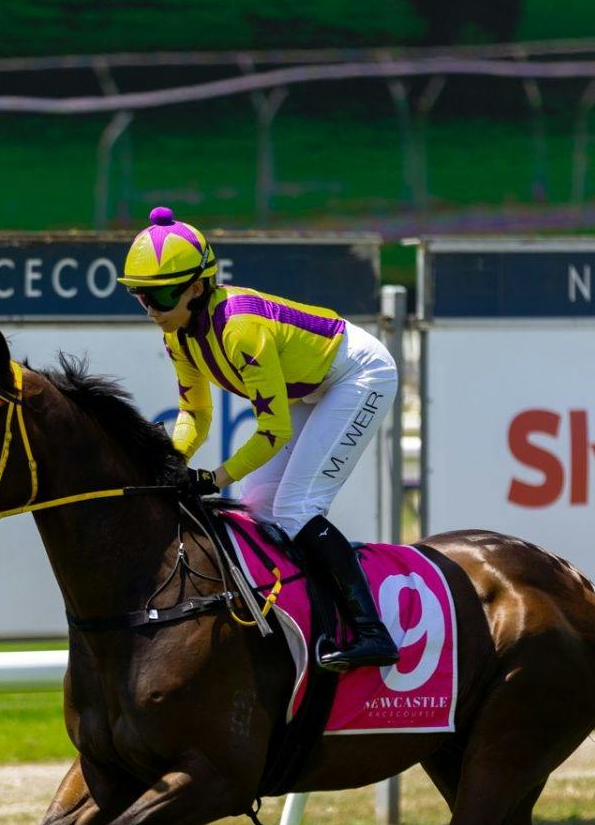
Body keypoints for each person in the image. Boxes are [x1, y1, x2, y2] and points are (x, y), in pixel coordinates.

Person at [118, 206, 400, 671]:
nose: (152, 310)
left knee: (297, 507)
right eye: (141, 297)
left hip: (358, 374)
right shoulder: (179, 336)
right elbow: (195, 412)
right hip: (309, 385)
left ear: (196, 288)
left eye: (161, 296)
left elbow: (273, 431)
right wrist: (172, 459)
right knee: (256, 508)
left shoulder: (239, 330)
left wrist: (213, 476)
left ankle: (372, 631)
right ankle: (304, 620)